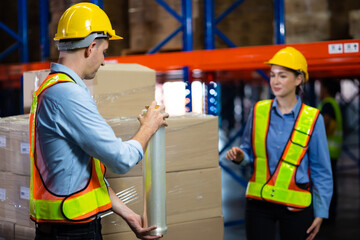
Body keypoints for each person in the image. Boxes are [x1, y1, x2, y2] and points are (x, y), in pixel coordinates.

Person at [29, 3, 168, 240]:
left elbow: (83, 173)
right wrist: (148, 127)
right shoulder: (67, 94)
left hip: (67, 228)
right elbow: (121, 160)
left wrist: (128, 214)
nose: (104, 61)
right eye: (104, 52)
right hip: (72, 232)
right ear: (90, 48)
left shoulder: (54, 88)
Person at [226, 47, 333, 240]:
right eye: (272, 75)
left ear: (298, 79)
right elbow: (248, 152)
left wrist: (321, 211)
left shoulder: (312, 118)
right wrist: (241, 156)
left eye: (282, 76)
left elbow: (321, 170)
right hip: (259, 204)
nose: (275, 81)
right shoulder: (259, 111)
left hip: (296, 206)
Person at [318, 78, 343, 222]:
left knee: (326, 184)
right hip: (333, 151)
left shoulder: (327, 104)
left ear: (326, 89)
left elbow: (325, 122)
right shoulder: (334, 104)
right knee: (330, 182)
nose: (319, 91)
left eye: (321, 87)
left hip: (327, 151)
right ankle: (330, 214)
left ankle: (327, 216)